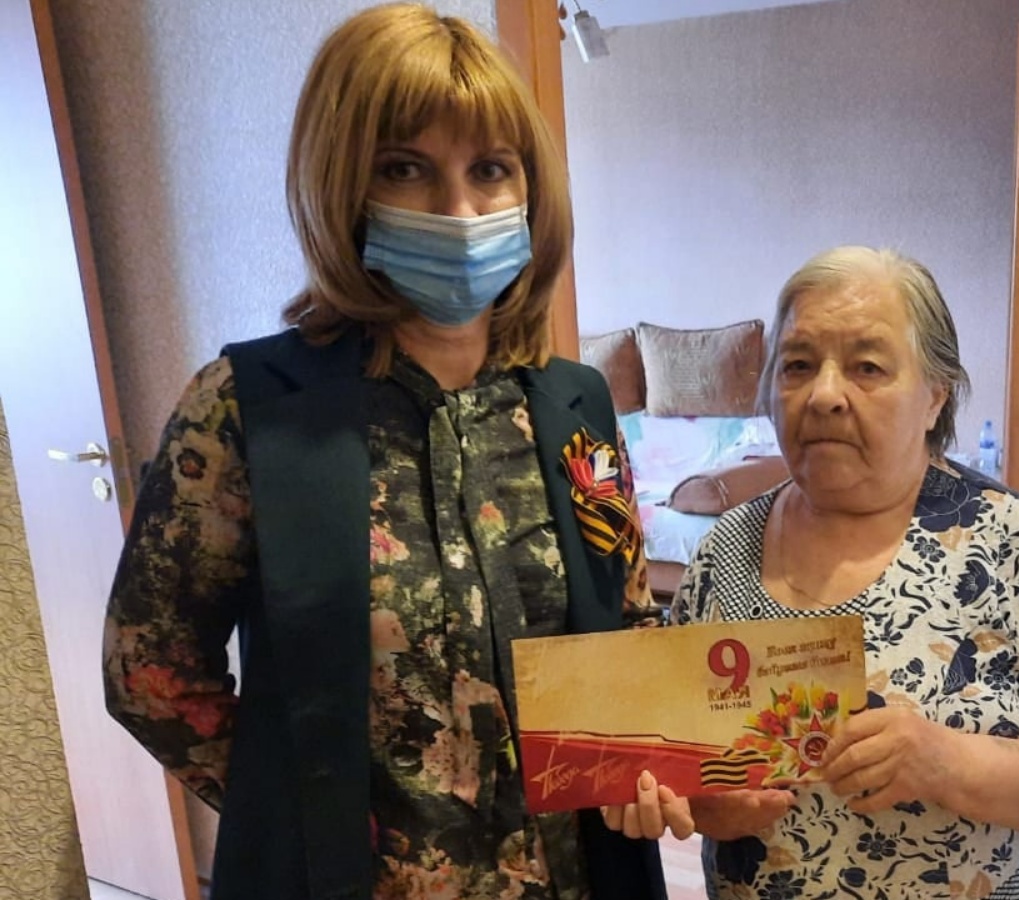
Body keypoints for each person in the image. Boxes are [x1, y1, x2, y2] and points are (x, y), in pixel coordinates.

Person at [102, 5, 687, 898]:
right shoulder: (247, 410)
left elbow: (628, 621)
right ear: (343, 186)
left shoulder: (578, 404)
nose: (459, 210)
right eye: (405, 169)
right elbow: (149, 671)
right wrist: (302, 815)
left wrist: (653, 763)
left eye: (490, 169)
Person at [667, 246, 1019, 898]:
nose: (825, 395)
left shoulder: (1009, 539)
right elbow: (686, 766)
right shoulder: (723, 552)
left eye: (867, 367)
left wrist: (946, 761)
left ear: (934, 397)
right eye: (798, 365)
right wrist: (704, 804)